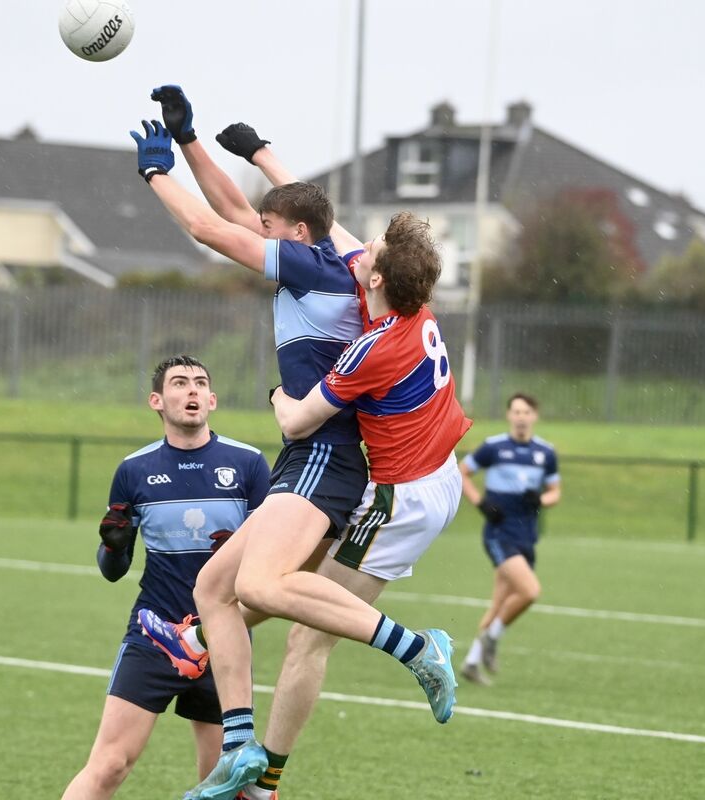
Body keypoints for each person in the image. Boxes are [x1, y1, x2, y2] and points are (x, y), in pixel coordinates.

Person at [129, 95, 458, 800]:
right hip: (360, 467)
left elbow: (213, 229)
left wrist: (157, 174)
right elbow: (258, 215)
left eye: (274, 224)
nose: (260, 225)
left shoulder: (325, 280)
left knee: (262, 590)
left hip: (333, 462)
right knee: (216, 588)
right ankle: (242, 749)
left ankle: (414, 649)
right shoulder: (360, 269)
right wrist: (205, 145)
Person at [60, 355, 270, 800]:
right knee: (110, 765)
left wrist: (233, 557)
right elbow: (112, 571)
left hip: (223, 638)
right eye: (179, 383)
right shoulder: (133, 471)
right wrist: (114, 546)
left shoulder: (249, 465)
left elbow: (268, 562)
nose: (191, 391)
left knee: (225, 782)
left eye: (199, 383)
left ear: (212, 399)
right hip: (154, 634)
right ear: (157, 400)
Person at [458, 392, 561, 685]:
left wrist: (540, 498)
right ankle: (492, 639)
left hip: (526, 534)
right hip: (499, 533)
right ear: (508, 416)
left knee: (500, 602)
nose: (521, 417)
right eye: (516, 412)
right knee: (529, 591)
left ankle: (472, 662)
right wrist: (480, 503)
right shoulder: (493, 447)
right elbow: (462, 472)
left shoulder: (545, 453)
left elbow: (555, 493)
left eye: (526, 412)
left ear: (534, 416)